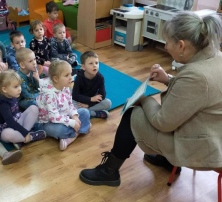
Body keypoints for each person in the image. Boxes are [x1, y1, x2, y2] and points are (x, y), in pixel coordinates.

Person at [79, 11, 222, 186]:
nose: (166, 46)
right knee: (168, 111)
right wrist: (168, 79)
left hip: (204, 147)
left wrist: (144, 99)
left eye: (167, 42)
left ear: (182, 46)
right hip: (215, 133)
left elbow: (163, 122)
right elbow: (198, 95)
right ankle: (168, 161)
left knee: (133, 114)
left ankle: (109, 171)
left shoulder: (196, 76)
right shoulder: (216, 57)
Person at [36, 60, 91, 151]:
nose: (70, 77)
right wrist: (72, 122)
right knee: (61, 130)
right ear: (56, 79)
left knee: (85, 112)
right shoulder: (50, 94)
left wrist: (74, 116)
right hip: (48, 123)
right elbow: (53, 117)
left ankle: (72, 135)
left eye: (70, 74)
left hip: (64, 117)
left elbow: (70, 105)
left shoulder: (65, 86)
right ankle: (78, 132)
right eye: (66, 75)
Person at [0, 70, 46, 149]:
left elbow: (17, 113)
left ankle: (20, 139)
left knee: (34, 108)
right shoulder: (2, 103)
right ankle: (31, 137)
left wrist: (23, 131)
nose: (20, 89)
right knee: (7, 134)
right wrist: (24, 133)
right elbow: (10, 122)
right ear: (5, 89)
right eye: (16, 87)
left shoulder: (12, 94)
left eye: (19, 86)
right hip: (6, 127)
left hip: (16, 121)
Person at [72, 51, 112, 119]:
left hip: (92, 102)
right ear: (83, 67)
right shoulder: (79, 77)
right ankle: (93, 113)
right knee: (69, 103)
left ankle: (86, 112)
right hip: (80, 100)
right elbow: (75, 96)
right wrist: (90, 99)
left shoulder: (100, 78)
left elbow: (102, 95)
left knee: (108, 103)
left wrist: (88, 105)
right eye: (91, 63)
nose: (94, 65)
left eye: (96, 63)